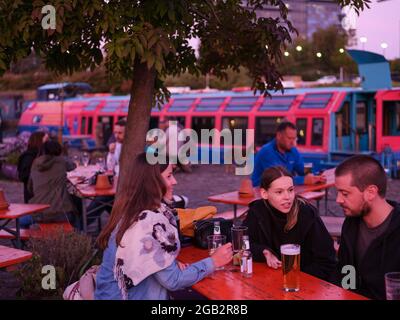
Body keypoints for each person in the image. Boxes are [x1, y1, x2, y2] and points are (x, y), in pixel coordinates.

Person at [95, 153, 232, 300]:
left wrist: (167, 261)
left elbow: (145, 256)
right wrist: (214, 261)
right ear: (152, 182)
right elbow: (174, 280)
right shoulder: (149, 221)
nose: (174, 182)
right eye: (168, 176)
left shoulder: (131, 209)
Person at [243, 166, 336, 281]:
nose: (287, 197)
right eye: (279, 192)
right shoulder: (257, 211)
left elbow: (327, 260)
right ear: (264, 193)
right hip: (268, 280)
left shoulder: (306, 213)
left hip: (304, 283)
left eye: (291, 190)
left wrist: (297, 278)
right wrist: (264, 251)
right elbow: (243, 243)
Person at [333, 155, 400, 300]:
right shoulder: (351, 224)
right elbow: (347, 274)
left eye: (345, 193)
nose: (338, 200)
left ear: (371, 192)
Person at [251, 121, 326, 187]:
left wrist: (315, 175)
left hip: (280, 190)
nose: (293, 143)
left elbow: (302, 168)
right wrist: (303, 180)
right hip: (261, 192)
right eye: (290, 138)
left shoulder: (292, 150)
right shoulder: (266, 152)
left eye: (294, 139)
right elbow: (278, 179)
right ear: (279, 136)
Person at [27, 140, 80, 227]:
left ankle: (21, 240)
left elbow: (30, 189)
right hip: (62, 213)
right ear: (59, 150)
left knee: (20, 222)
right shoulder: (61, 161)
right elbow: (73, 165)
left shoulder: (35, 163)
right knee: (77, 215)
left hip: (38, 213)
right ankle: (80, 237)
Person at [17, 131, 49, 205]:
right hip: (33, 195)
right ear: (39, 141)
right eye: (46, 140)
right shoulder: (29, 157)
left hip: (43, 193)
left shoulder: (43, 154)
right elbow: (23, 176)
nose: (48, 142)